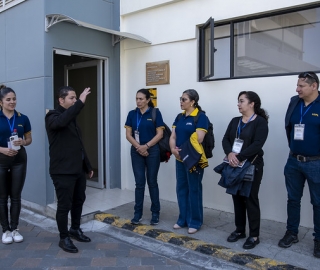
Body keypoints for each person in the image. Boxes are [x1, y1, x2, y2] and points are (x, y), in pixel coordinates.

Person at [45, 86, 94, 253]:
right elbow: (62, 121)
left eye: (75, 98)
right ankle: (63, 237)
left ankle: (75, 229)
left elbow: (79, 144)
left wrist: (87, 165)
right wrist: (80, 102)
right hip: (62, 170)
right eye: (71, 98)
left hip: (77, 169)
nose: (74, 101)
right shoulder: (52, 116)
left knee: (79, 200)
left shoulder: (71, 118)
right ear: (61, 100)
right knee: (64, 205)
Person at [279, 71, 320, 258]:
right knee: (293, 199)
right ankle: (292, 233)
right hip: (294, 161)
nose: (297, 89)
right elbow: (289, 127)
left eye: (301, 86)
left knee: (318, 203)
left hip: (316, 163)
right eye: (297, 85)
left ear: (314, 86)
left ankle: (318, 240)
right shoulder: (294, 102)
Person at [222, 91, 268, 249]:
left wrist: (239, 157)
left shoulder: (260, 122)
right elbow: (226, 139)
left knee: (250, 198)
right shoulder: (235, 121)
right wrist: (229, 154)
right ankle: (239, 230)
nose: (238, 104)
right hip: (235, 164)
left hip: (252, 165)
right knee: (236, 197)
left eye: (241, 101)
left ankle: (254, 236)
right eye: (238, 101)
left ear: (251, 104)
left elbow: (257, 144)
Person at [169, 89, 209, 234]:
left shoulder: (200, 117)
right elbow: (173, 136)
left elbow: (199, 138)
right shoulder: (179, 117)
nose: (181, 102)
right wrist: (173, 150)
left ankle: (195, 221)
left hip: (193, 160)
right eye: (180, 99)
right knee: (181, 189)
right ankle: (183, 219)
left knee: (194, 189)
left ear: (193, 102)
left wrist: (181, 152)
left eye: (184, 99)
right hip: (179, 159)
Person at [125, 89, 164, 225]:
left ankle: (155, 213)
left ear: (148, 100)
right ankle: (138, 213)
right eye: (137, 99)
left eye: (141, 99)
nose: (138, 101)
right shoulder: (132, 114)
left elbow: (160, 134)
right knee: (139, 183)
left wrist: (146, 146)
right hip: (136, 151)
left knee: (152, 182)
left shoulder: (155, 113)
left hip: (152, 151)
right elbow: (128, 135)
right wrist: (139, 147)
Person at [0, 85, 32, 244]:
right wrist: (3, 150)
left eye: (14, 99)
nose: (12, 102)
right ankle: (5, 230)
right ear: (1, 102)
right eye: (8, 99)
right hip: (0, 161)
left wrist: (23, 141)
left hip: (19, 161)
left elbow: (29, 140)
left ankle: (14, 228)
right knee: (2, 197)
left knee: (16, 196)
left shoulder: (23, 118)